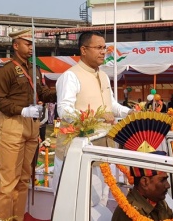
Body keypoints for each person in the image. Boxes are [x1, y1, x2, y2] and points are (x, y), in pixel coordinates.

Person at [55, 31, 132, 193]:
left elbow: (111, 105)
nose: (103, 52)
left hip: (103, 147)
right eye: (98, 47)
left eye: (104, 48)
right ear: (84, 50)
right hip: (78, 150)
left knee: (101, 199)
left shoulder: (103, 75)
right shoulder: (71, 76)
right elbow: (64, 110)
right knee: (77, 203)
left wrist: (130, 112)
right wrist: (95, 116)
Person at [0, 29, 56, 221]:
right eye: (27, 43)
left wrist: (60, 89)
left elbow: (43, 93)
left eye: (32, 44)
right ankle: (5, 218)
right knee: (8, 180)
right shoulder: (6, 70)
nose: (31, 47)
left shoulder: (35, 69)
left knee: (24, 179)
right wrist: (22, 110)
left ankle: (17, 217)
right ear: (15, 45)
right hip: (12, 123)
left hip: (31, 125)